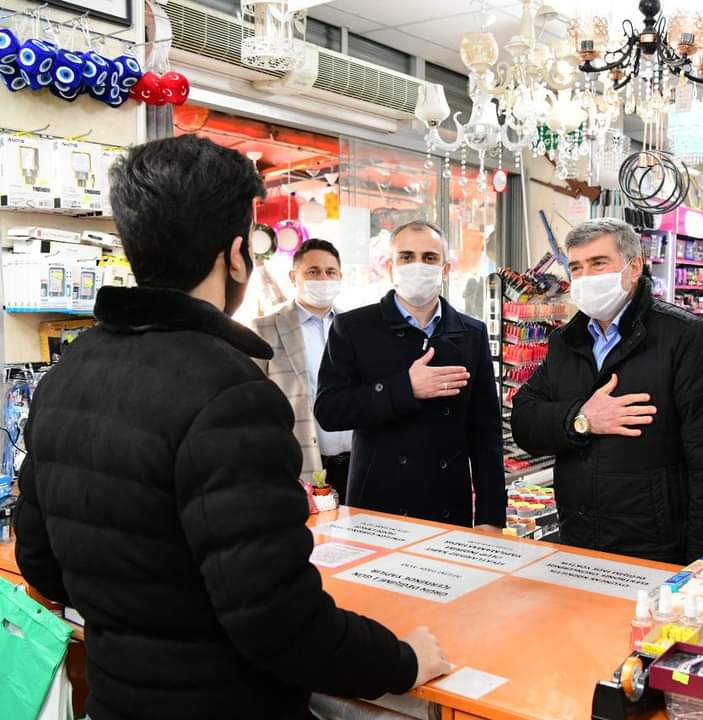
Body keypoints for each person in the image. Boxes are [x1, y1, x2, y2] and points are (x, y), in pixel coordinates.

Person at [13, 135, 449, 720]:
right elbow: (279, 620)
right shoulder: (230, 391)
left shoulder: (70, 371)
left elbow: (40, 560)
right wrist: (401, 660)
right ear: (237, 254)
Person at [510, 218, 703, 564]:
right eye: (576, 267)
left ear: (634, 267)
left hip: (658, 553)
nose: (586, 277)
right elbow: (524, 421)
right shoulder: (565, 342)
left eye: (598, 263)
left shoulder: (686, 338)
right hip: (578, 543)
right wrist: (580, 419)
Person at [314, 220, 505, 530]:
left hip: (448, 505)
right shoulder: (353, 328)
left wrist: (490, 516)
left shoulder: (471, 333)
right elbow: (329, 410)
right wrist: (404, 388)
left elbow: (486, 435)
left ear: (445, 269)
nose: (418, 266)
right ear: (390, 267)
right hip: (377, 506)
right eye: (406, 257)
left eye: (429, 258)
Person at [253, 239, 352, 497]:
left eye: (330, 272)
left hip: (355, 463)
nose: (323, 279)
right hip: (299, 466)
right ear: (293, 276)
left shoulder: (354, 327)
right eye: (313, 272)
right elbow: (252, 407)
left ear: (340, 277)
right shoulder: (264, 329)